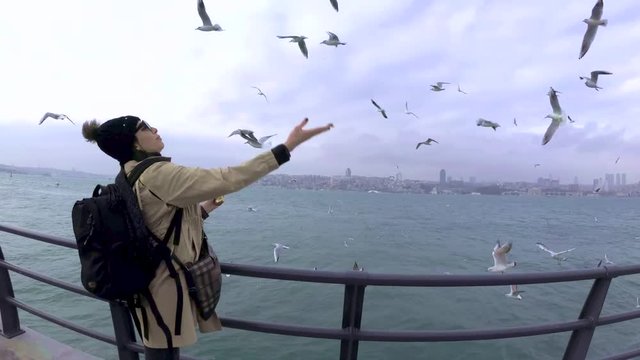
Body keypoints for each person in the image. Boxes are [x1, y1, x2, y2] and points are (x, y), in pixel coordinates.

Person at [81, 115, 333, 359]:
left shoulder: (130, 174)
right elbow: (228, 177)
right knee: (162, 351)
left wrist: (204, 209)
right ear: (134, 143)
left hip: (145, 281)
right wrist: (287, 147)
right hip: (163, 285)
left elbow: (154, 223)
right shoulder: (157, 174)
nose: (155, 129)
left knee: (160, 348)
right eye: (145, 127)